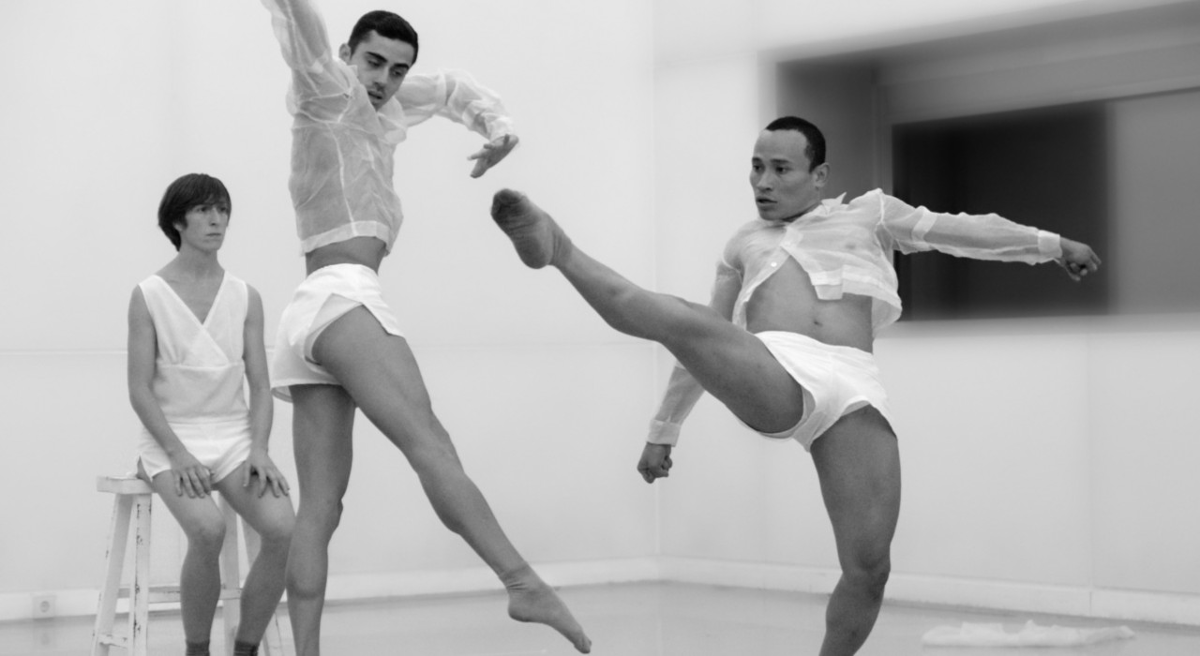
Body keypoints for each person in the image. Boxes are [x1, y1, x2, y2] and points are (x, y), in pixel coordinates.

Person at [488, 116, 1101, 656]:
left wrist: (1051, 245)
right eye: (756, 168)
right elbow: (703, 345)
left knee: (868, 568)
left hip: (854, 388)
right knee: (688, 322)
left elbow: (963, 231)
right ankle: (559, 248)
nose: (763, 182)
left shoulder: (873, 214)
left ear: (819, 176)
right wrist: (663, 429)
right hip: (775, 366)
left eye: (781, 169)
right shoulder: (743, 243)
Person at [257, 2, 591, 654]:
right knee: (430, 445)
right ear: (347, 55)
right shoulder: (326, 88)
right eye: (373, 62)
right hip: (342, 297)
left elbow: (450, 90)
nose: (384, 79)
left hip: (309, 313)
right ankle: (521, 581)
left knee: (322, 508)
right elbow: (298, 21)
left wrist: (497, 129)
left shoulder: (382, 103)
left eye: (396, 69)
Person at [127, 173, 295, 656]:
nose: (216, 219)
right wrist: (177, 454)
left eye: (222, 209)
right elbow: (139, 389)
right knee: (208, 529)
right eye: (203, 210)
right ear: (177, 222)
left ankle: (244, 649)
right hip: (170, 439)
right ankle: (196, 650)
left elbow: (260, 385)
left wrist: (259, 448)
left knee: (284, 529)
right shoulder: (148, 294)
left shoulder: (245, 295)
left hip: (235, 437)